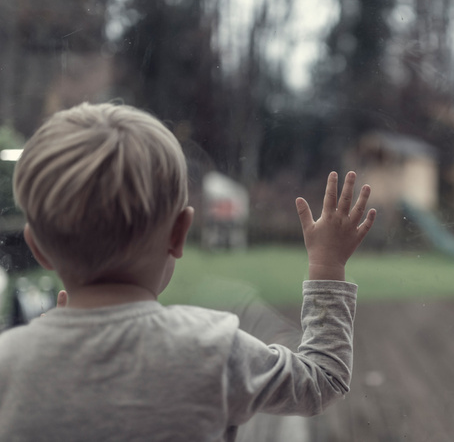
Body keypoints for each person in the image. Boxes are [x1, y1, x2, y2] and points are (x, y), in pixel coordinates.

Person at [0, 102, 376, 441]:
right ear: (179, 233)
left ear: (37, 248)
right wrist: (328, 265)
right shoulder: (215, 349)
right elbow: (323, 381)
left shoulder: (9, 362)